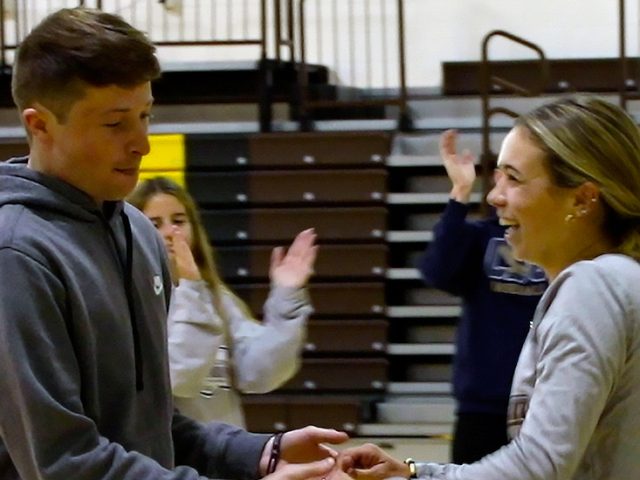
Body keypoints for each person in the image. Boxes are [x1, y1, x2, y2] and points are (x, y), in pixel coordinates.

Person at [0, 7, 348, 479]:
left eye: (145, 115)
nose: (142, 142)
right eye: (115, 123)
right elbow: (63, 463)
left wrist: (259, 453)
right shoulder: (17, 255)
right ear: (40, 125)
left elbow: (152, 425)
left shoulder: (140, 234)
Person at [329, 95, 640, 479]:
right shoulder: (623, 278)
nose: (494, 196)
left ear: (582, 199)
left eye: (514, 178)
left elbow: (537, 468)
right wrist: (413, 473)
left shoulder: (592, 286)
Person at [128, 176, 315, 427]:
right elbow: (179, 377)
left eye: (179, 221)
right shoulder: (127, 302)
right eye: (155, 223)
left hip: (221, 459)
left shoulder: (217, 299)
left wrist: (286, 297)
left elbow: (259, 374)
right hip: (167, 461)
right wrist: (191, 289)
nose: (170, 232)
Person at [418, 129, 547, 463]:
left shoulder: (560, 241)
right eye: (502, 174)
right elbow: (437, 271)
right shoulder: (479, 236)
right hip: (483, 403)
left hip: (547, 399)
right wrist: (459, 194)